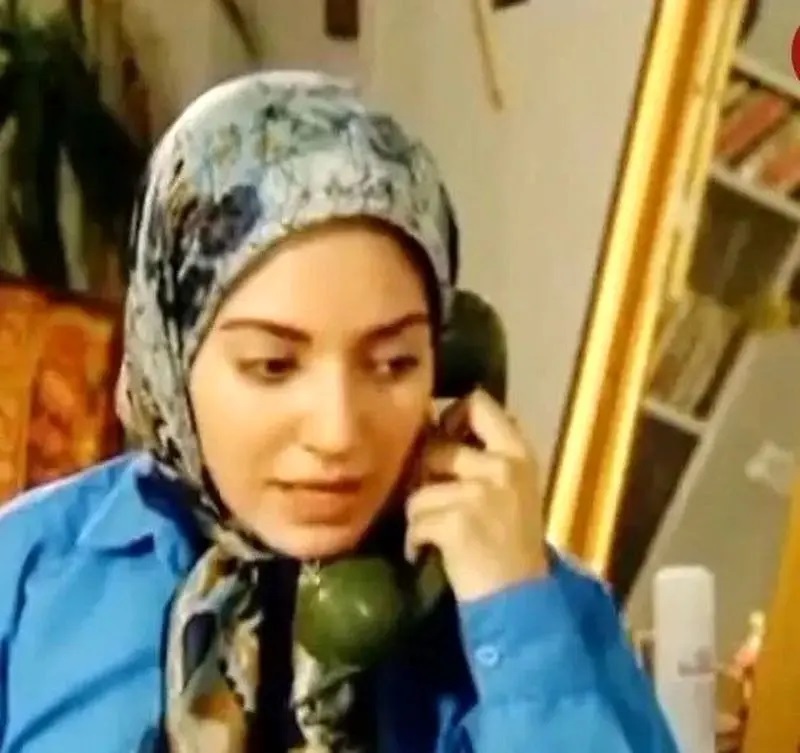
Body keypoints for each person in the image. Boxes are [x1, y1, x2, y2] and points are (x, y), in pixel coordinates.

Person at [0, 71, 678, 753]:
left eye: (393, 364)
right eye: (273, 365)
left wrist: (514, 619)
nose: (338, 433)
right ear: (169, 359)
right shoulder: (26, 575)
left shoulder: (547, 614)